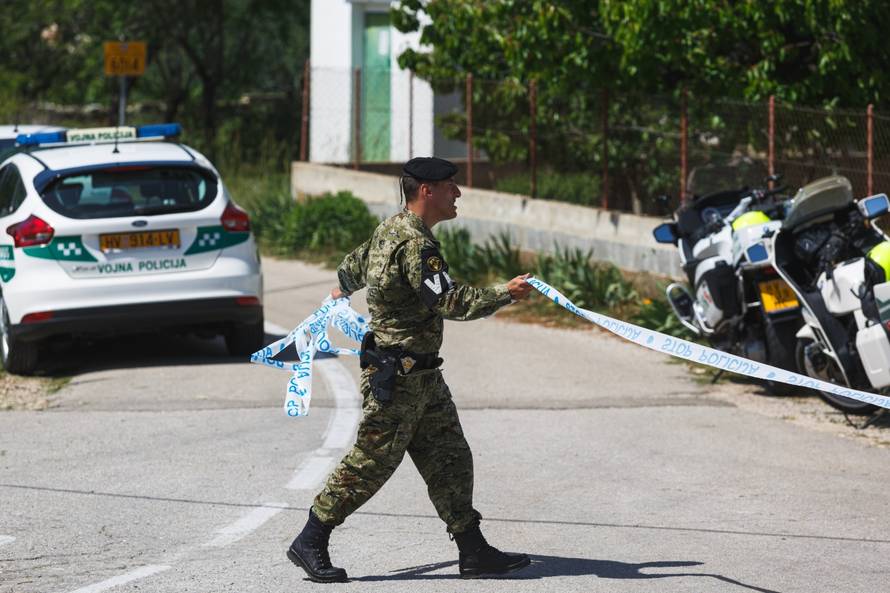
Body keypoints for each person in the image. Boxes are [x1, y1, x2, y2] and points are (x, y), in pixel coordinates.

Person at [287, 156, 534, 582]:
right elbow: (450, 302)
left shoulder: (390, 228)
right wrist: (506, 293)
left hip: (422, 376)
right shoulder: (417, 246)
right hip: (397, 381)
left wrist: (343, 288)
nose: (457, 194)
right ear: (427, 191)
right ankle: (311, 538)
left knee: (451, 458)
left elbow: (352, 266)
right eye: (451, 186)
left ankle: (473, 550)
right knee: (371, 463)